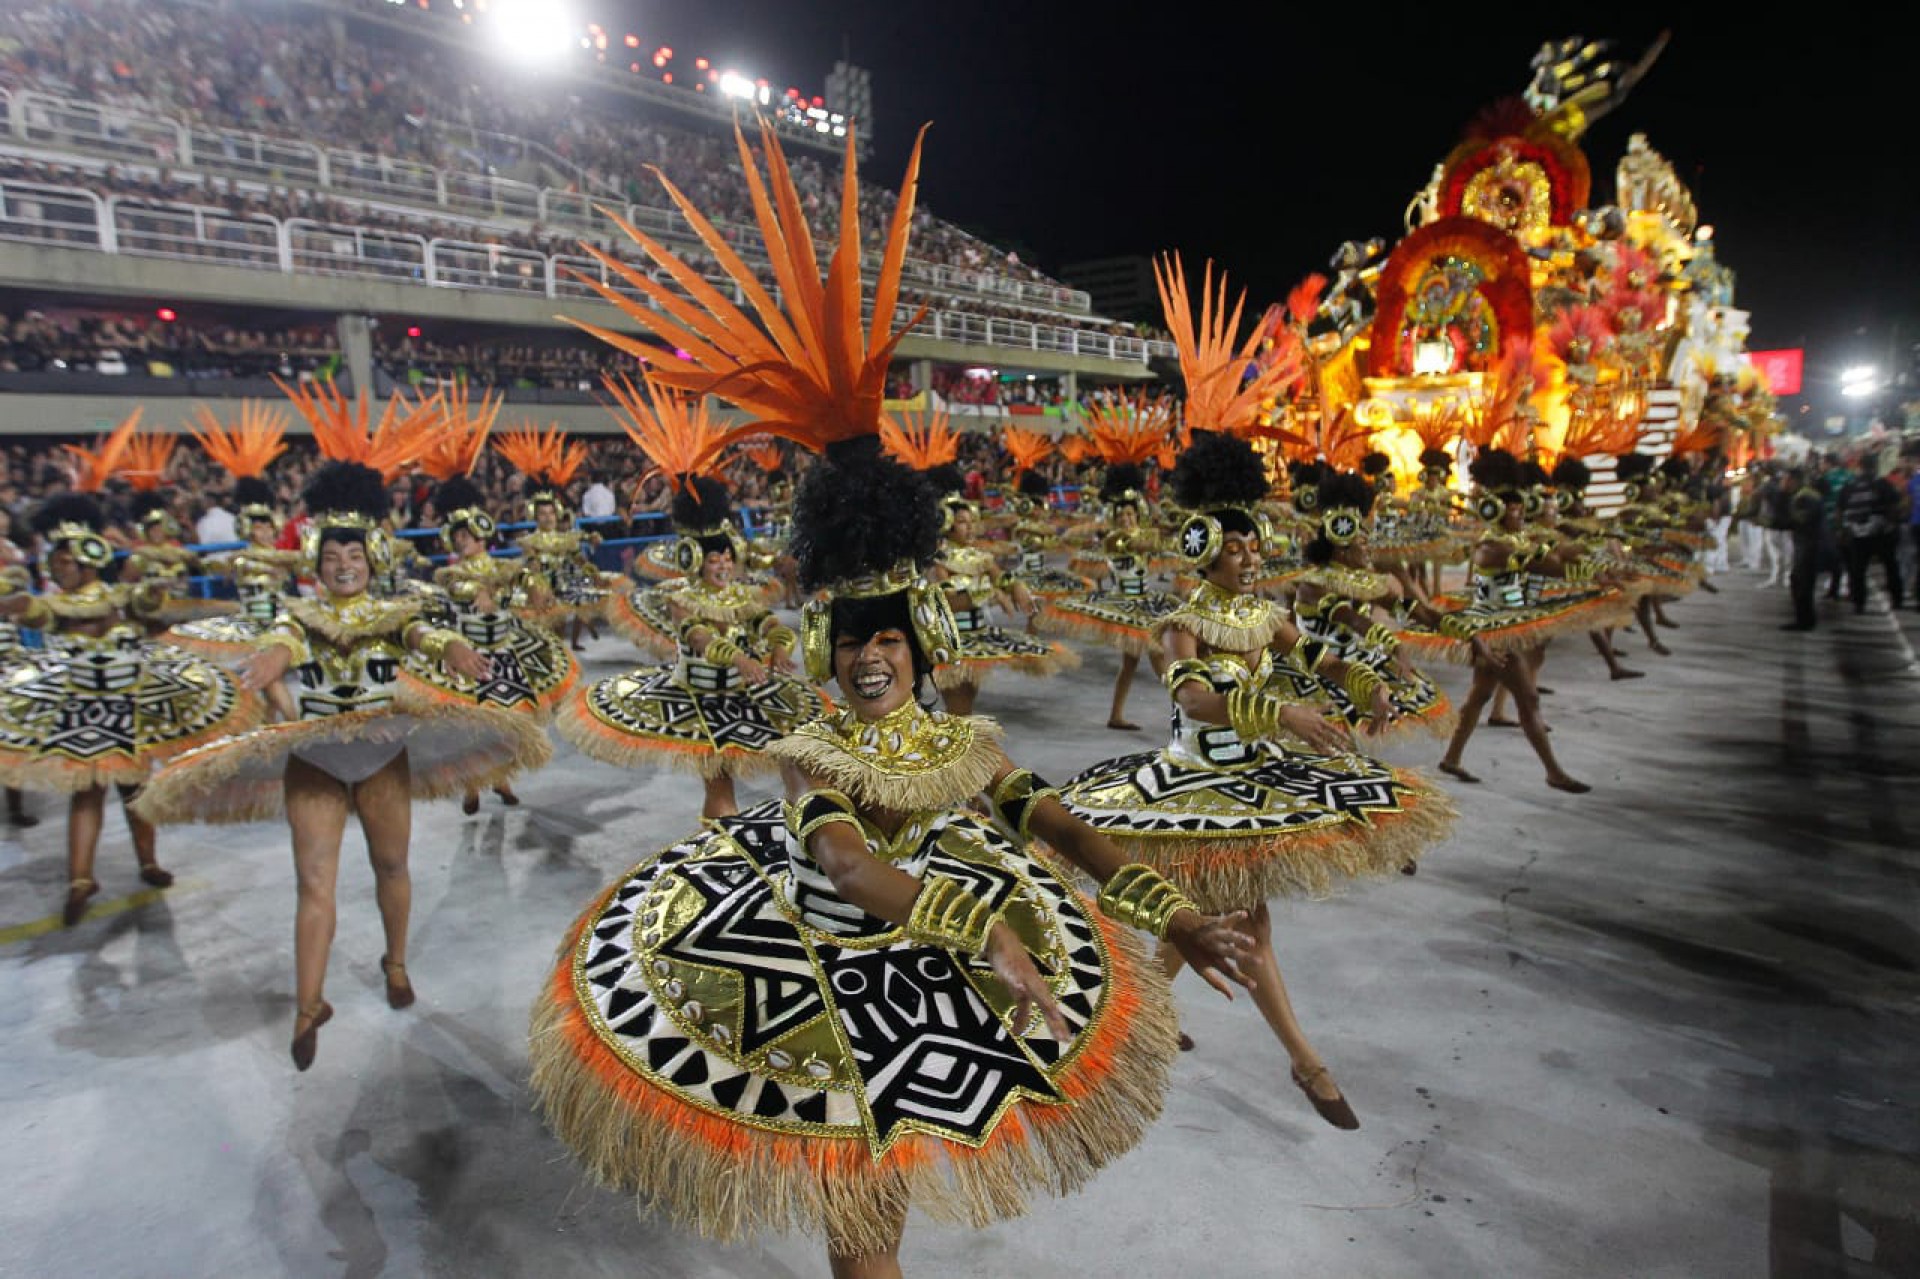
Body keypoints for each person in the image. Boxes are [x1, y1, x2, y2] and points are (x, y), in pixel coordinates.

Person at [531, 119, 1252, 1279]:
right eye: (853, 639)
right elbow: (853, 870)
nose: (872, 659)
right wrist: (994, 939)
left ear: (921, 649)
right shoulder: (812, 748)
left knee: (874, 1241)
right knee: (864, 1247)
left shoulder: (963, 736)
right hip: (826, 973)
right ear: (827, 644)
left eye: (890, 641)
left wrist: (1167, 914)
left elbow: (1055, 823)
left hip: (943, 966)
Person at [133, 461, 548, 1070]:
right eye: (332, 555)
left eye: (354, 552)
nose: (344, 563)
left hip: (381, 753)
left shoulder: (398, 610)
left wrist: (452, 646)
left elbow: (420, 636)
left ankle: (396, 962)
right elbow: (286, 640)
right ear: (315, 561)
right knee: (314, 883)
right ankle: (308, 1006)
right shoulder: (297, 615)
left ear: (373, 557)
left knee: (391, 864)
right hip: (316, 759)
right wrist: (273, 660)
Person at [0, 494, 261, 926]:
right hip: (83, 711)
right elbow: (30, 610)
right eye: (55, 563)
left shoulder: (121, 598)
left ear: (87, 563)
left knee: (134, 790)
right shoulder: (59, 605)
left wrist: (182, 598)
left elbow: (157, 611)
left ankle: (144, 863)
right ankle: (81, 879)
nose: (55, 570)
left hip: (127, 705)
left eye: (65, 563)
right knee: (91, 791)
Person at [1835, 453, 1903, 613]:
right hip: (1881, 533)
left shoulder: (1850, 485)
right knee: (1891, 566)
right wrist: (1892, 525)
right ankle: (1897, 599)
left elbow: (1840, 510)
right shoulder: (1883, 484)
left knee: (1857, 570)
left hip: (1857, 534)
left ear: (1860, 466)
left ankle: (1859, 603)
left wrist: (1841, 530)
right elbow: (1894, 506)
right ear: (1875, 466)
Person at [1783, 465, 1824, 631]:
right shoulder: (1808, 495)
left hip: (1808, 543)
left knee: (1802, 582)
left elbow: (1799, 519)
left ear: (1794, 480)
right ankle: (1805, 618)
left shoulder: (1804, 497)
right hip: (1808, 542)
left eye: (1786, 480)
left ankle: (1804, 620)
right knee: (1800, 581)